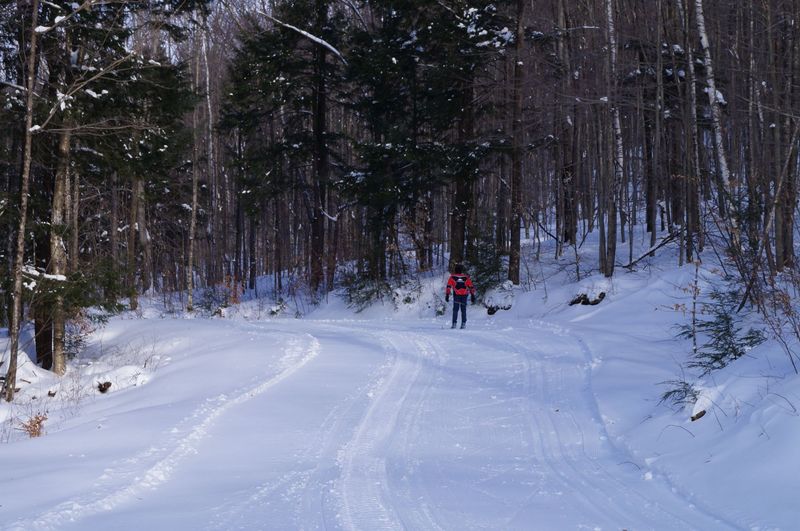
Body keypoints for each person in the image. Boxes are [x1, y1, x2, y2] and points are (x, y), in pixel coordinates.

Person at [445, 264, 476, 329]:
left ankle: (454, 324)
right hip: (464, 295)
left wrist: (447, 294)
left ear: (455, 270)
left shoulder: (452, 277)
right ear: (461, 270)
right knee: (463, 310)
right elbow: (471, 286)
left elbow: (448, 286)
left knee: (455, 310)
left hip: (456, 295)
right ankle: (463, 324)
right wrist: (472, 295)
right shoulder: (466, 277)